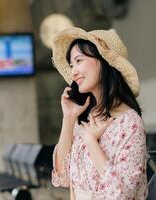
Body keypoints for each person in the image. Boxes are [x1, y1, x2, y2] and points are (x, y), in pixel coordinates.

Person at [51, 27, 147, 199]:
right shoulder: (86, 119)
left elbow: (121, 195)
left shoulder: (130, 123)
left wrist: (90, 141)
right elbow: (61, 176)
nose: (73, 72)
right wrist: (69, 117)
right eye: (72, 65)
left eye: (79, 61)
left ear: (104, 61)